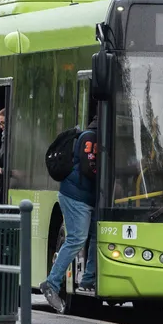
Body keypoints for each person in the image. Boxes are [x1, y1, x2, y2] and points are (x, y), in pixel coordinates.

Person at [39, 114, 98, 313]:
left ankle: (89, 279)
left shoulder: (96, 136)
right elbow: (89, 168)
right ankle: (51, 284)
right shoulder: (90, 137)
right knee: (76, 238)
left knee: (97, 234)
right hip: (75, 196)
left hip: (86, 197)